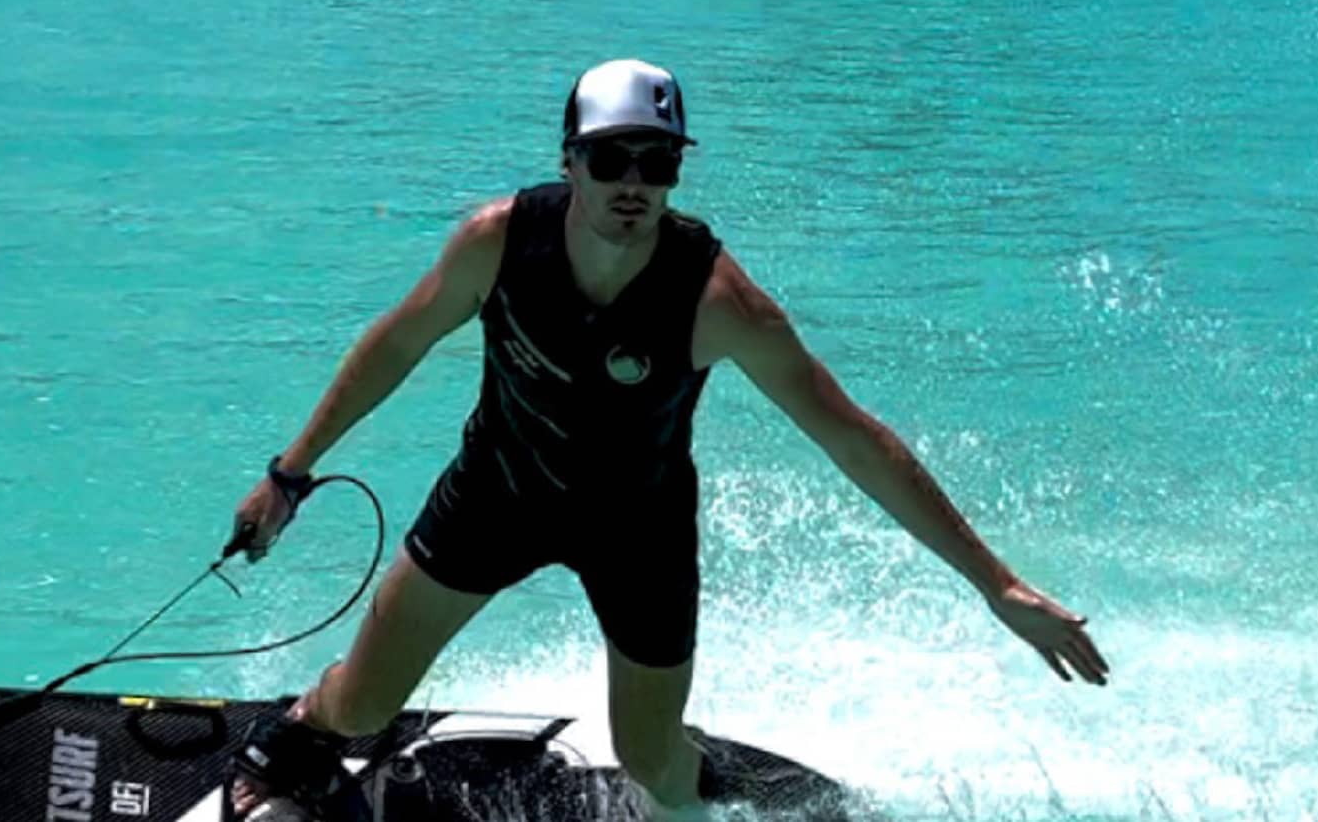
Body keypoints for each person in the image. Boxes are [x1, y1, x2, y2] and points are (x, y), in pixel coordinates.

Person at [226, 59, 1109, 819]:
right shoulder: (496, 243)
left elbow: (855, 441)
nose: (634, 183)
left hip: (638, 531)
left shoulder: (719, 302)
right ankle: (298, 742)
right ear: (569, 160)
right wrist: (290, 476)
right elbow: (396, 345)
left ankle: (704, 776)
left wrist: (996, 585)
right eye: (610, 158)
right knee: (362, 705)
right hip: (496, 495)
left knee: (651, 761)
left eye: (659, 163)